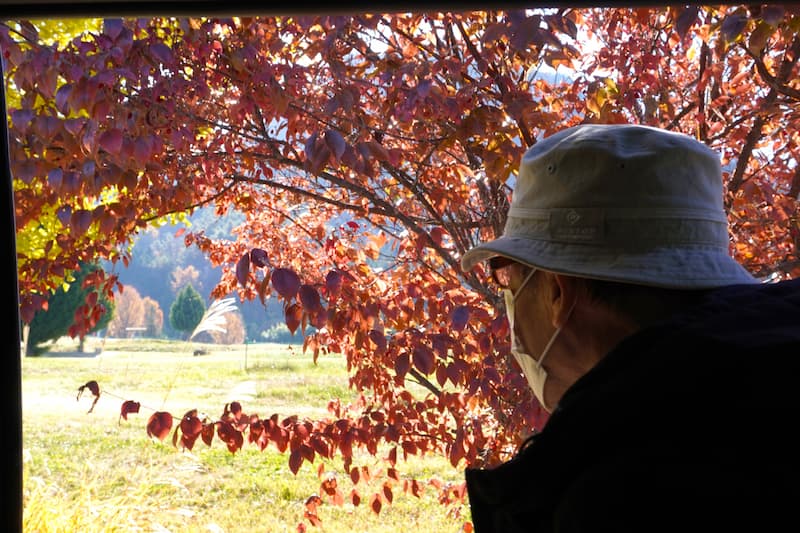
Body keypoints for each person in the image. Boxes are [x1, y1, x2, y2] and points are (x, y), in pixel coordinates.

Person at [460, 123, 800, 532]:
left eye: (508, 279)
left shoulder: (619, 494)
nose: (509, 302)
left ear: (557, 292)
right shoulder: (765, 398)